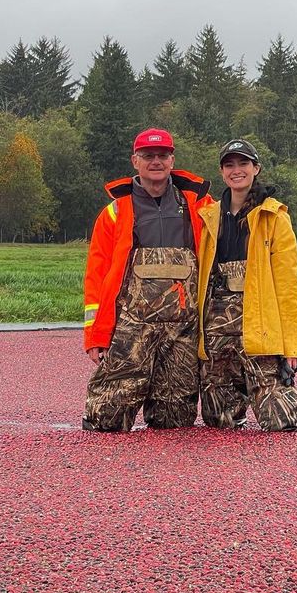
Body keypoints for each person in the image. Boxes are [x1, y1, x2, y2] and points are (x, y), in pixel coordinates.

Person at [82, 128, 213, 432]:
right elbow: (97, 275)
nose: (156, 161)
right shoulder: (115, 212)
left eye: (162, 155)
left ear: (172, 161)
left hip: (182, 331)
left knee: (175, 421)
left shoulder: (199, 205)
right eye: (148, 155)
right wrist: (95, 336)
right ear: (135, 161)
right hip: (131, 329)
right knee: (106, 420)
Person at [196, 139, 297, 432]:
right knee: (219, 423)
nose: (237, 170)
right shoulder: (208, 217)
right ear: (222, 172)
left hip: (259, 327)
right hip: (216, 331)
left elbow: (288, 285)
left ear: (256, 168)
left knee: (283, 423)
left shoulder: (274, 217)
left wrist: (294, 345)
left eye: (243, 163)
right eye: (229, 165)